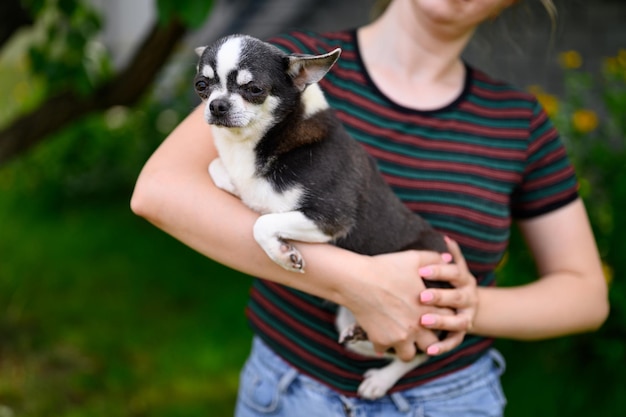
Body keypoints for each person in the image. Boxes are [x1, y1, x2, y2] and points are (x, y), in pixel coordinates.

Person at [130, 0, 609, 415]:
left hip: (452, 399)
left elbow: (585, 295)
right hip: (286, 389)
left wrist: (462, 307)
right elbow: (159, 192)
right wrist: (356, 283)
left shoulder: (520, 122)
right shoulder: (274, 60)